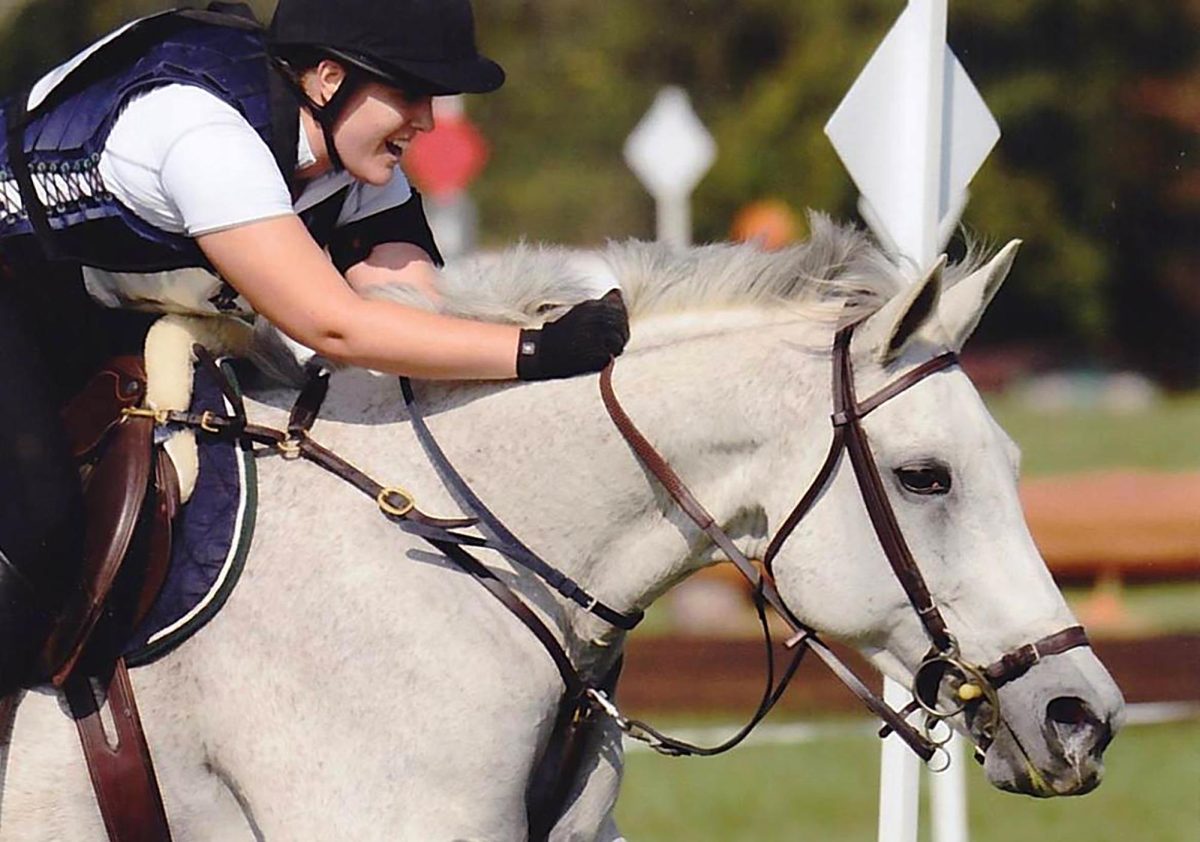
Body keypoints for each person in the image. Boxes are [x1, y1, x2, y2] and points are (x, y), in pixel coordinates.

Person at [0, 0, 630, 695]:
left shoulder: (354, 166)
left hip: (84, 301)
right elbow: (332, 326)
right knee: (46, 527)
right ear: (329, 79)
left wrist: (530, 339)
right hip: (18, 288)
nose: (426, 119)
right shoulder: (203, 132)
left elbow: (417, 314)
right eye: (411, 91)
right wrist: (536, 350)